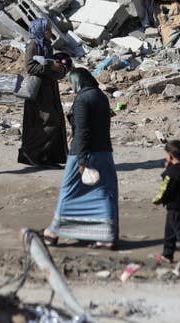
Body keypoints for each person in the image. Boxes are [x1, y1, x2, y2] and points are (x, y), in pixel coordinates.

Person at [43, 68, 118, 249]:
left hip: (83, 153)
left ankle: (54, 231)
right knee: (104, 193)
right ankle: (105, 236)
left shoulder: (82, 99)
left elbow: (83, 130)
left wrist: (82, 159)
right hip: (105, 153)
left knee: (68, 191)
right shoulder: (101, 96)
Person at [18, 17, 68, 167]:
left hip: (49, 88)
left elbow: (47, 63)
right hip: (39, 91)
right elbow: (30, 67)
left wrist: (57, 66)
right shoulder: (33, 45)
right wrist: (50, 68)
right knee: (51, 121)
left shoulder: (46, 45)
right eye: (47, 29)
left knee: (54, 120)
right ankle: (30, 153)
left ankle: (46, 156)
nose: (50, 32)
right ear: (39, 30)